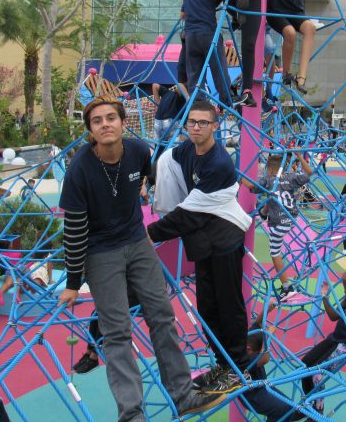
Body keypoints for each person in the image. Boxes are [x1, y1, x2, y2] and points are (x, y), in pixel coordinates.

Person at [57, 97, 225, 420]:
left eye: (111, 118)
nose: (105, 124)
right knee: (116, 332)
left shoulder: (137, 151)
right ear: (90, 131)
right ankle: (132, 413)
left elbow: (146, 176)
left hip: (136, 240)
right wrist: (73, 283)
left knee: (162, 315)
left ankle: (183, 394)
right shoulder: (80, 169)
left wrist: (143, 192)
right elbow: (74, 230)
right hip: (100, 251)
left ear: (123, 123)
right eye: (97, 121)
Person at [148, 101, 253, 394]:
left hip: (224, 240)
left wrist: (149, 233)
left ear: (215, 127)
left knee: (228, 304)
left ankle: (238, 367)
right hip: (205, 242)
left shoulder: (218, 163)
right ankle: (224, 364)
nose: (196, 127)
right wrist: (145, 177)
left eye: (203, 123)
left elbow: (189, 214)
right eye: (192, 122)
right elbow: (164, 159)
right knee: (207, 307)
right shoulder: (187, 150)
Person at [300, 268, 346, 418]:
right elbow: (333, 316)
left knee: (317, 373)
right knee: (305, 364)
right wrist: (324, 296)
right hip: (335, 339)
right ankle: (309, 402)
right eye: (345, 288)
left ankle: (318, 411)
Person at [242, 151, 313, 300]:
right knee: (273, 196)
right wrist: (300, 157)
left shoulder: (268, 180)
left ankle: (287, 287)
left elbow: (251, 186)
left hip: (278, 224)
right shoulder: (289, 177)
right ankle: (264, 212)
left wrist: (241, 176)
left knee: (275, 253)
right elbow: (309, 172)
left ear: (270, 170)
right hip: (291, 218)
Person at [182, 0, 238, 108]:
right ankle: (226, 98)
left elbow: (182, 15)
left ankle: (197, 101)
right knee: (218, 67)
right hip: (207, 32)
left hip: (190, 37)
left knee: (194, 72)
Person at [239, 303, 305, 421]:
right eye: (257, 352)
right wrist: (268, 337)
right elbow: (264, 358)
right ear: (249, 349)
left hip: (262, 387)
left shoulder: (249, 341)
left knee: (290, 408)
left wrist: (266, 310)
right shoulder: (243, 358)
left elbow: (257, 323)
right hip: (251, 396)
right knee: (283, 410)